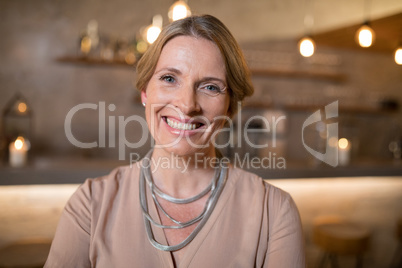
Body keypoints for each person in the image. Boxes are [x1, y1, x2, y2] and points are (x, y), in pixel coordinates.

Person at [45, 15, 305, 267]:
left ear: (230, 107)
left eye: (210, 87)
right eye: (169, 79)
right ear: (145, 92)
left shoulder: (274, 213)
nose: (187, 104)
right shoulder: (90, 205)